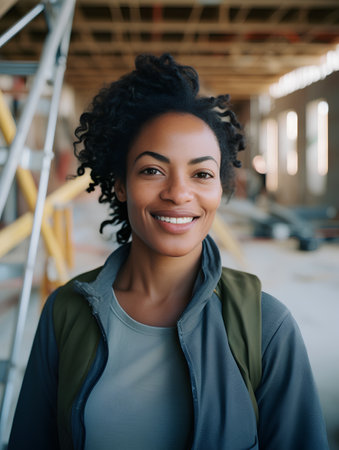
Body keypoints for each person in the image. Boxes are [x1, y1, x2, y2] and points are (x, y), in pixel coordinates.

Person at [8, 54, 328, 450]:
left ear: (220, 189)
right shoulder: (66, 312)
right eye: (152, 170)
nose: (178, 193)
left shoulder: (265, 326)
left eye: (202, 174)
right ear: (121, 184)